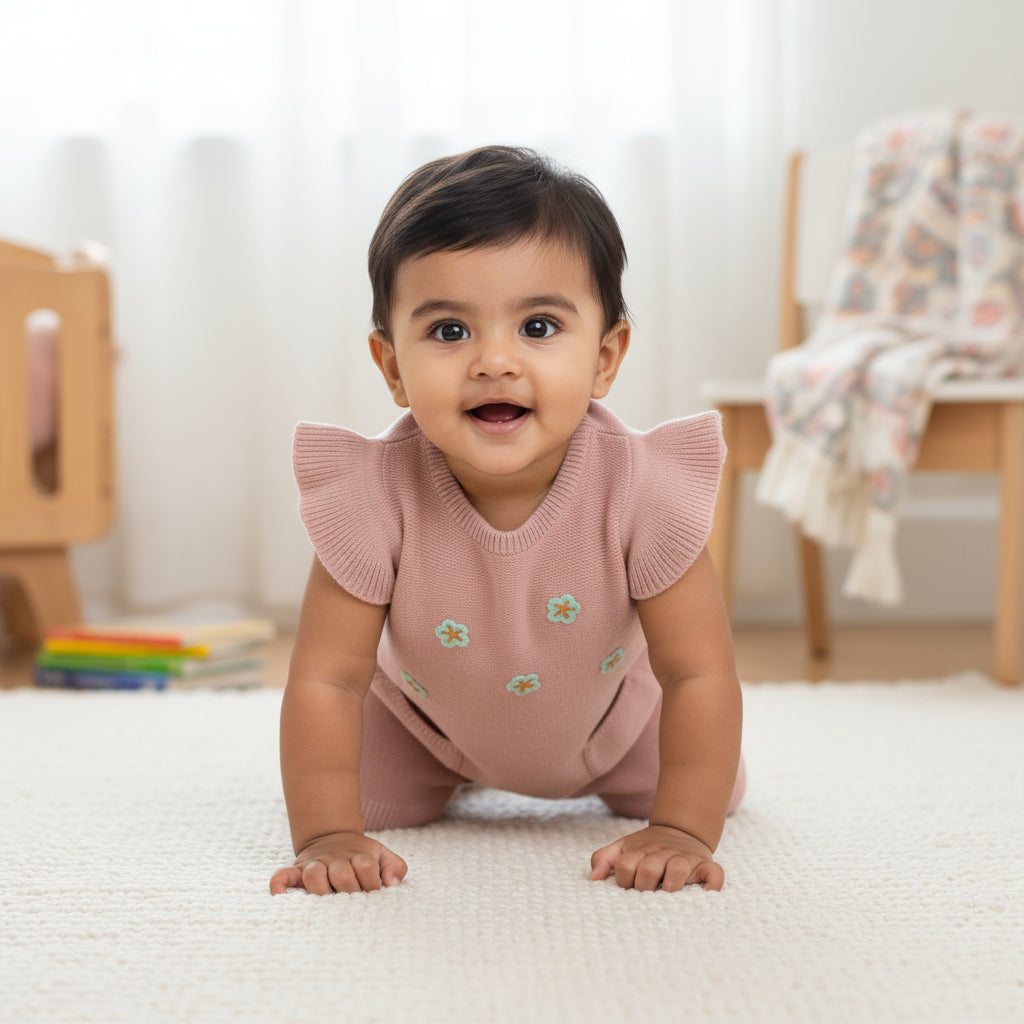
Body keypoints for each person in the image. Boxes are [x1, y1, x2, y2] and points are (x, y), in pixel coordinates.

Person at [269, 145, 745, 897]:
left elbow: (699, 672)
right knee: (359, 800)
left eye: (539, 326)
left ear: (605, 357)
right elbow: (328, 678)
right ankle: (422, 779)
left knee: (706, 784)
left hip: (616, 730)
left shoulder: (645, 490)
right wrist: (326, 834)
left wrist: (684, 828)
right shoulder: (371, 496)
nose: (495, 361)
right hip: (423, 728)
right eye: (449, 332)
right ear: (392, 368)